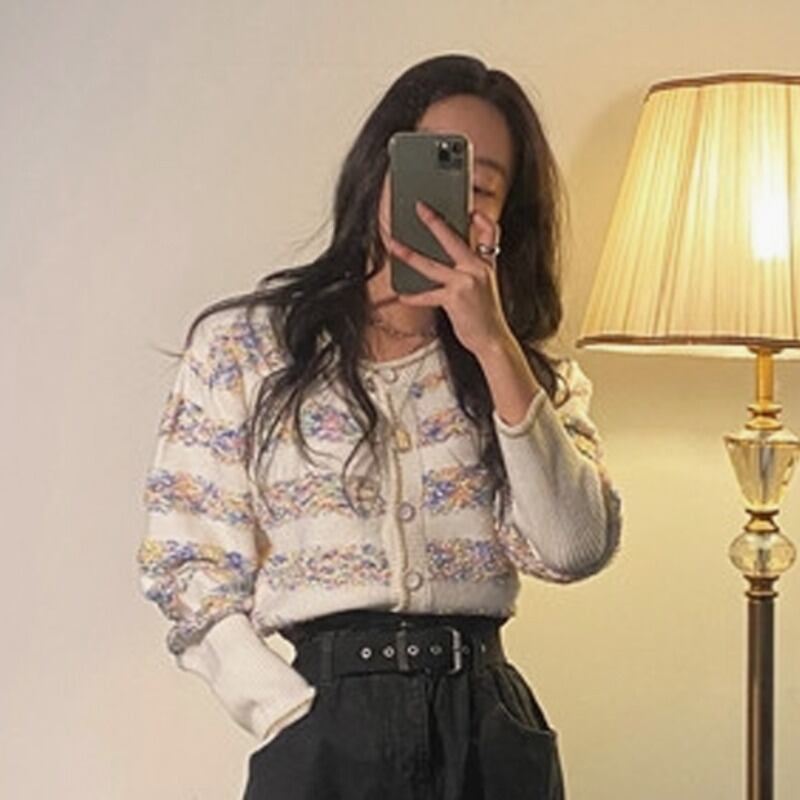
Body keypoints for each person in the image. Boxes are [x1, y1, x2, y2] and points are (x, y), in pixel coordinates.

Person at [137, 53, 622, 800]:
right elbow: (185, 556)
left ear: (505, 217)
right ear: (379, 173)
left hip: (488, 729)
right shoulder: (246, 348)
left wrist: (493, 345)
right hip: (326, 723)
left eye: (481, 187)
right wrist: (279, 707)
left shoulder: (527, 375)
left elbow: (573, 548)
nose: (449, 204)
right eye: (433, 168)